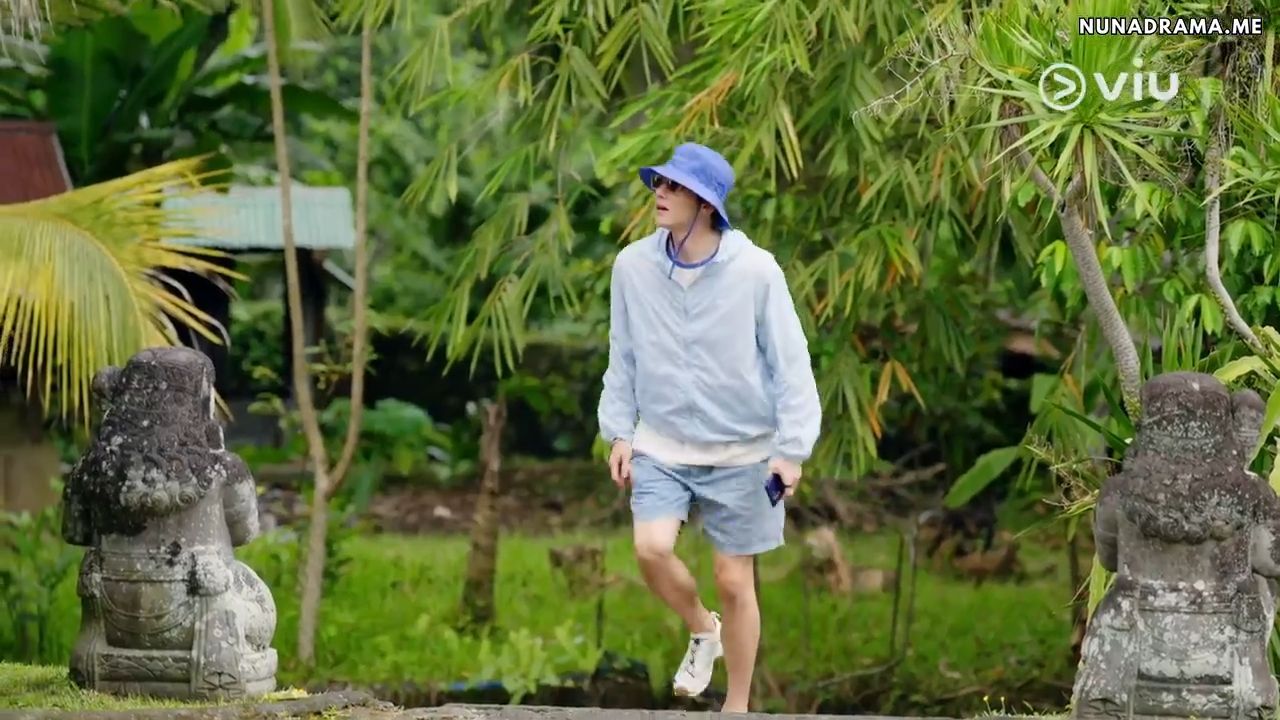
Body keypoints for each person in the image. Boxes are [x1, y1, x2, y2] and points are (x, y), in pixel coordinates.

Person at [596, 142, 822, 713]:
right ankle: (702, 628)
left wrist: (791, 450)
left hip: (743, 450)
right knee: (650, 548)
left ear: (705, 204)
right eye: (659, 183)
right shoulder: (632, 267)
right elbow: (622, 356)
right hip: (662, 443)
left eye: (673, 186)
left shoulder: (755, 271)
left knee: (734, 580)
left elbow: (791, 364)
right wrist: (619, 432)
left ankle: (736, 705)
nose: (660, 192)